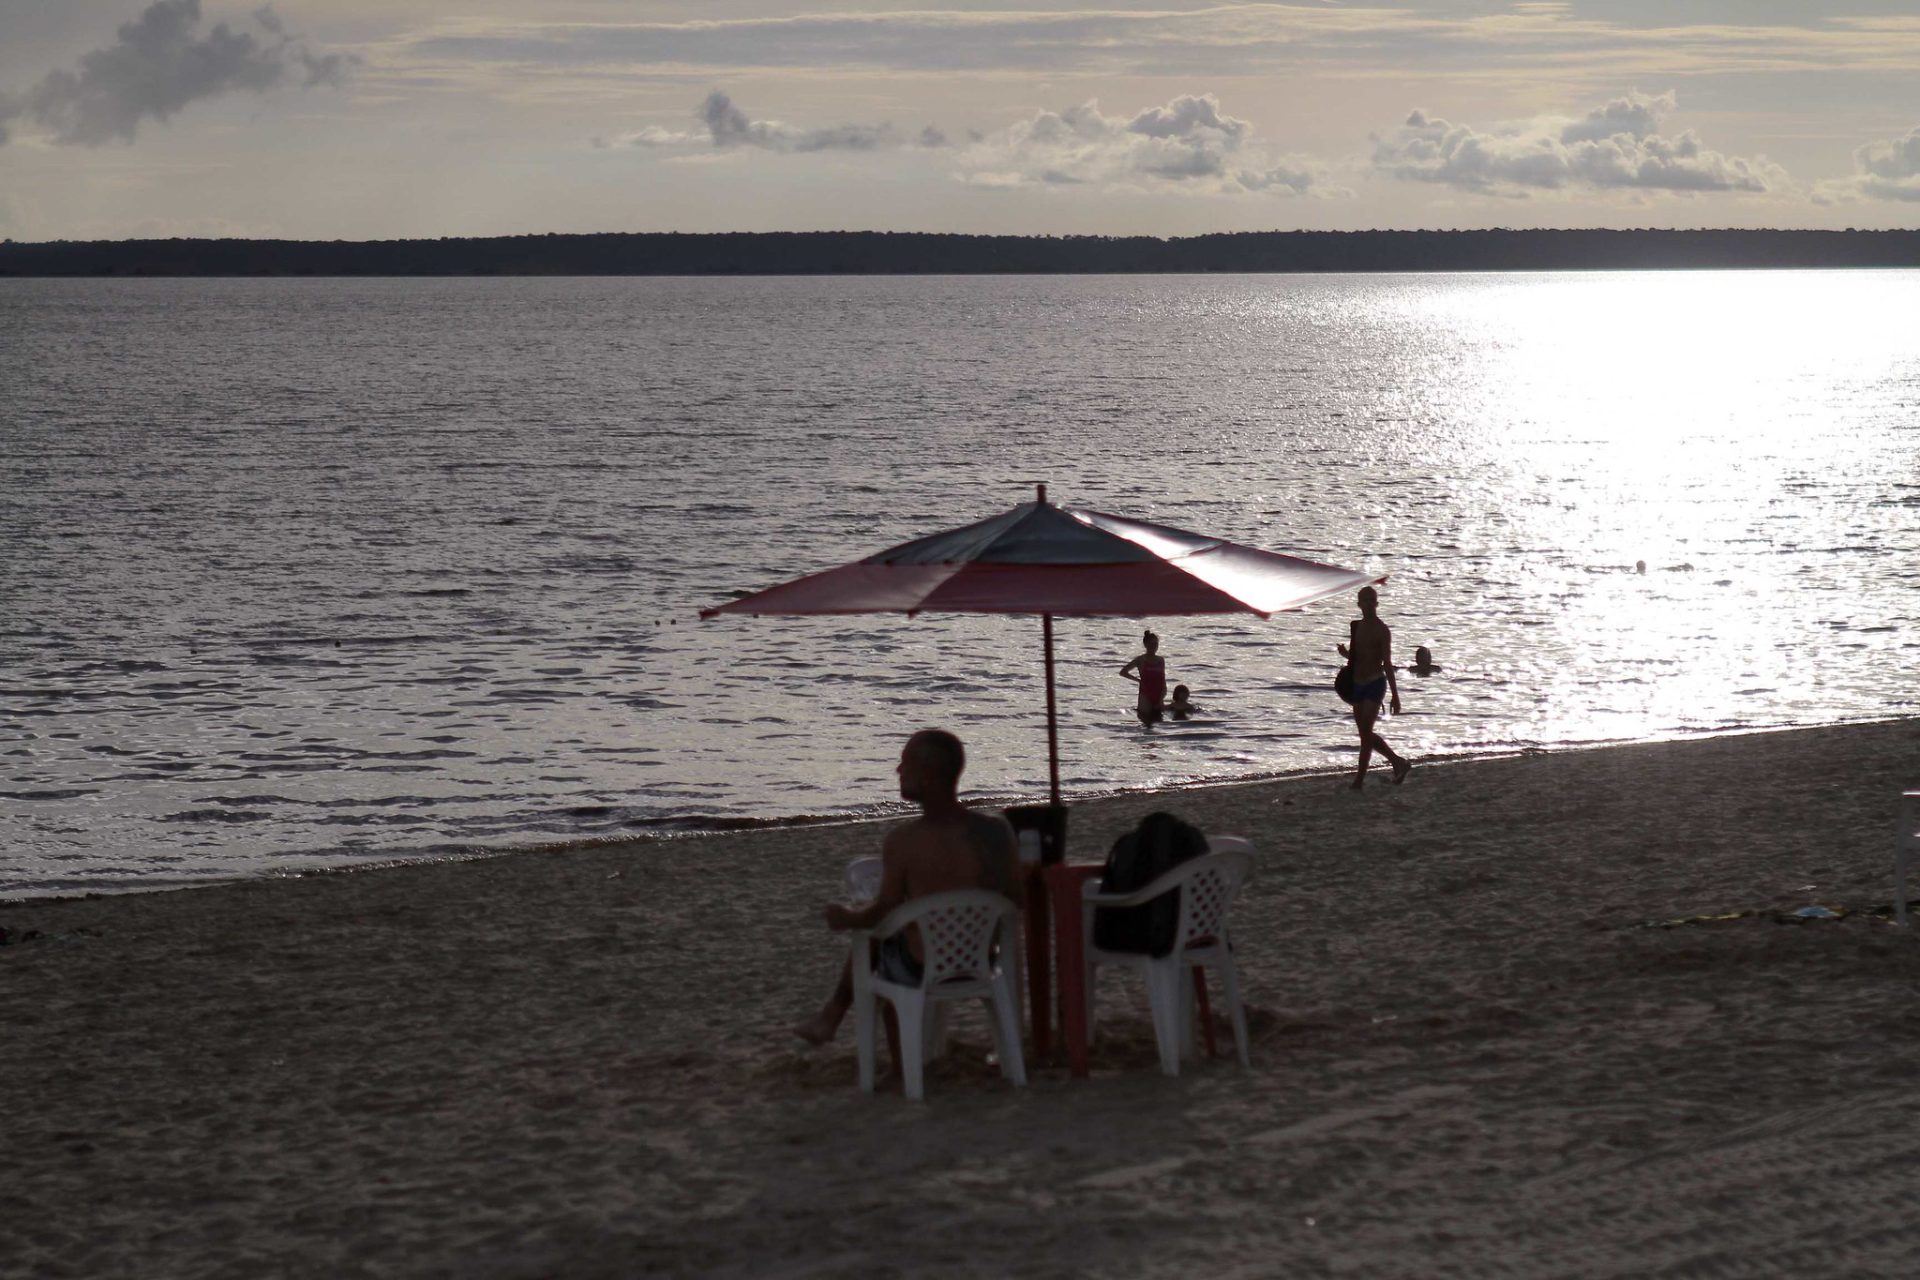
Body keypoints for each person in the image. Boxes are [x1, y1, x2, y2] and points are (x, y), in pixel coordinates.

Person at [792, 729, 1022, 1049]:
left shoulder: (904, 842)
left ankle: (894, 1064)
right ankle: (832, 1015)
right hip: (982, 960)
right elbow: (1016, 897)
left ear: (927, 775)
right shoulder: (996, 832)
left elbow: (881, 912)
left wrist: (846, 917)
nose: (898, 771)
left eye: (905, 764)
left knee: (879, 942)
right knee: (895, 929)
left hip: (924, 965)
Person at [1339, 586, 1411, 789]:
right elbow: (1358, 657)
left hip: (1375, 683)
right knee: (1364, 734)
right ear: (1359, 604)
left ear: (1377, 604)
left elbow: (1386, 663)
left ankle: (1359, 781)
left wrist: (1395, 696)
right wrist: (1345, 654)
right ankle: (1398, 762)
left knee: (1366, 731)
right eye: (1365, 600)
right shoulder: (1357, 627)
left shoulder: (1382, 630)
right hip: (1357, 684)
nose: (1369, 604)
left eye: (1372, 600)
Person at [1119, 630, 1168, 724]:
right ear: (1145, 645)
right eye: (1151, 644)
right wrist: (1138, 680)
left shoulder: (1161, 660)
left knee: (1160, 724)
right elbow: (1123, 672)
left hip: (1159, 694)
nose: (1154, 647)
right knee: (1145, 722)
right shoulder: (1140, 660)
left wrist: (1162, 697)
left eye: (1156, 644)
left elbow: (1163, 680)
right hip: (1145, 694)